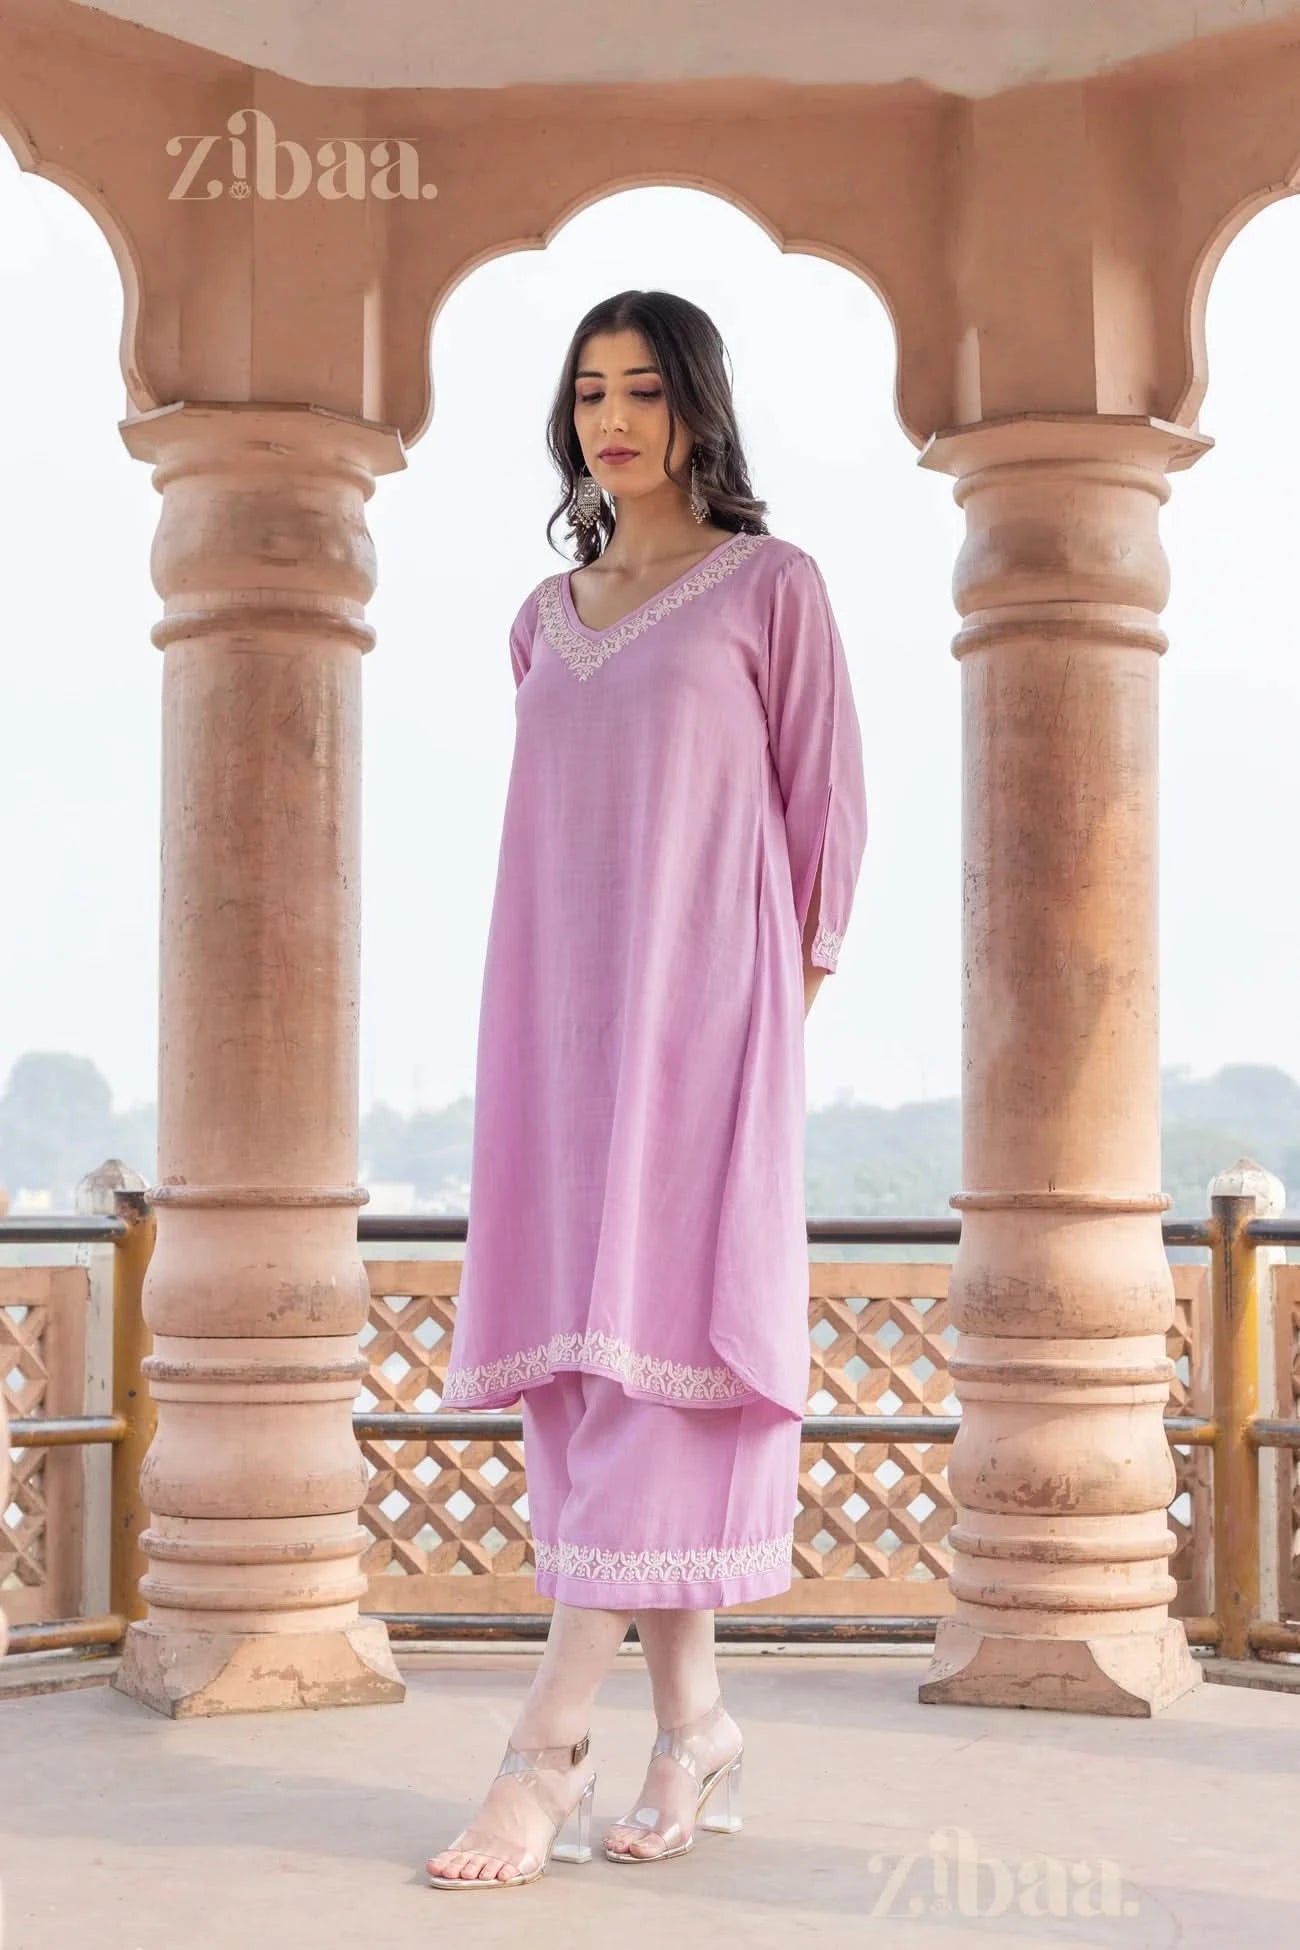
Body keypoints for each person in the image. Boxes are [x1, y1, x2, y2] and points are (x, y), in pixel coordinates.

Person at [426, 289, 868, 1890]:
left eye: (644, 389)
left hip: (711, 1042)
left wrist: (752, 1046)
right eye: (589, 390)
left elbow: (825, 838)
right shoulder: (544, 615)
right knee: (607, 1377)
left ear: (698, 409)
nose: (614, 417)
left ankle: (545, 1746)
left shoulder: (774, 589)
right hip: (557, 1037)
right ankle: (696, 1725)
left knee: (663, 1357)